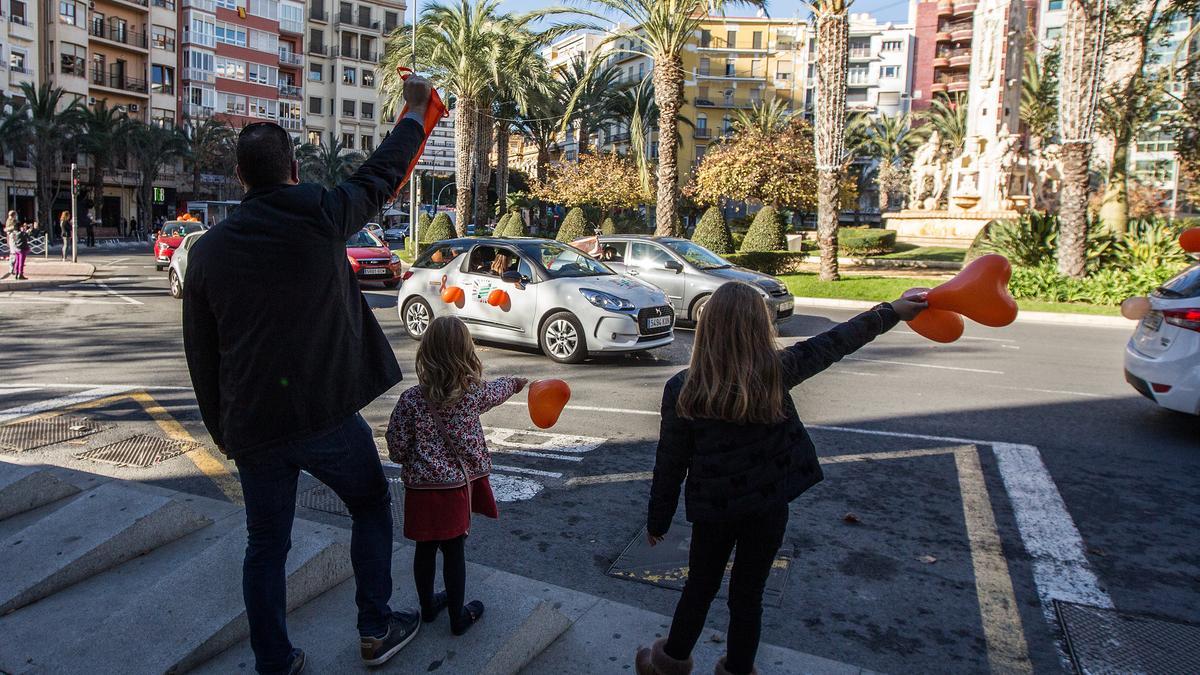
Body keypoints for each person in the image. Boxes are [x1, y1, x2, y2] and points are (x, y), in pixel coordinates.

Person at [182, 75, 434, 675]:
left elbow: (201, 355)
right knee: (370, 505)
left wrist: (224, 430)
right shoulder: (322, 213)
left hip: (255, 429)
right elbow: (381, 172)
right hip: (323, 416)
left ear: (241, 179)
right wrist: (417, 113)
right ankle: (375, 628)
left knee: (265, 546)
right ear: (293, 168)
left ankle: (276, 660)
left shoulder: (208, 252)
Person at [635, 282, 927, 675]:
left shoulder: (683, 388)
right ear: (758, 327)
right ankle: (738, 669)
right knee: (748, 596)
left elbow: (670, 463)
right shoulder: (775, 372)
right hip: (766, 508)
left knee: (699, 588)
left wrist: (658, 521)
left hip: (713, 512)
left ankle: (669, 662)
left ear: (707, 327)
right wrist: (891, 310)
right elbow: (835, 341)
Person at [385, 316, 525, 636]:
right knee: (453, 551)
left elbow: (396, 446)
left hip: (421, 490)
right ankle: (458, 618)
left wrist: (414, 460)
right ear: (466, 353)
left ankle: (428, 606)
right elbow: (496, 391)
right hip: (454, 489)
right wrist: (517, 382)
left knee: (424, 549)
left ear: (427, 352)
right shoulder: (471, 394)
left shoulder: (411, 399)